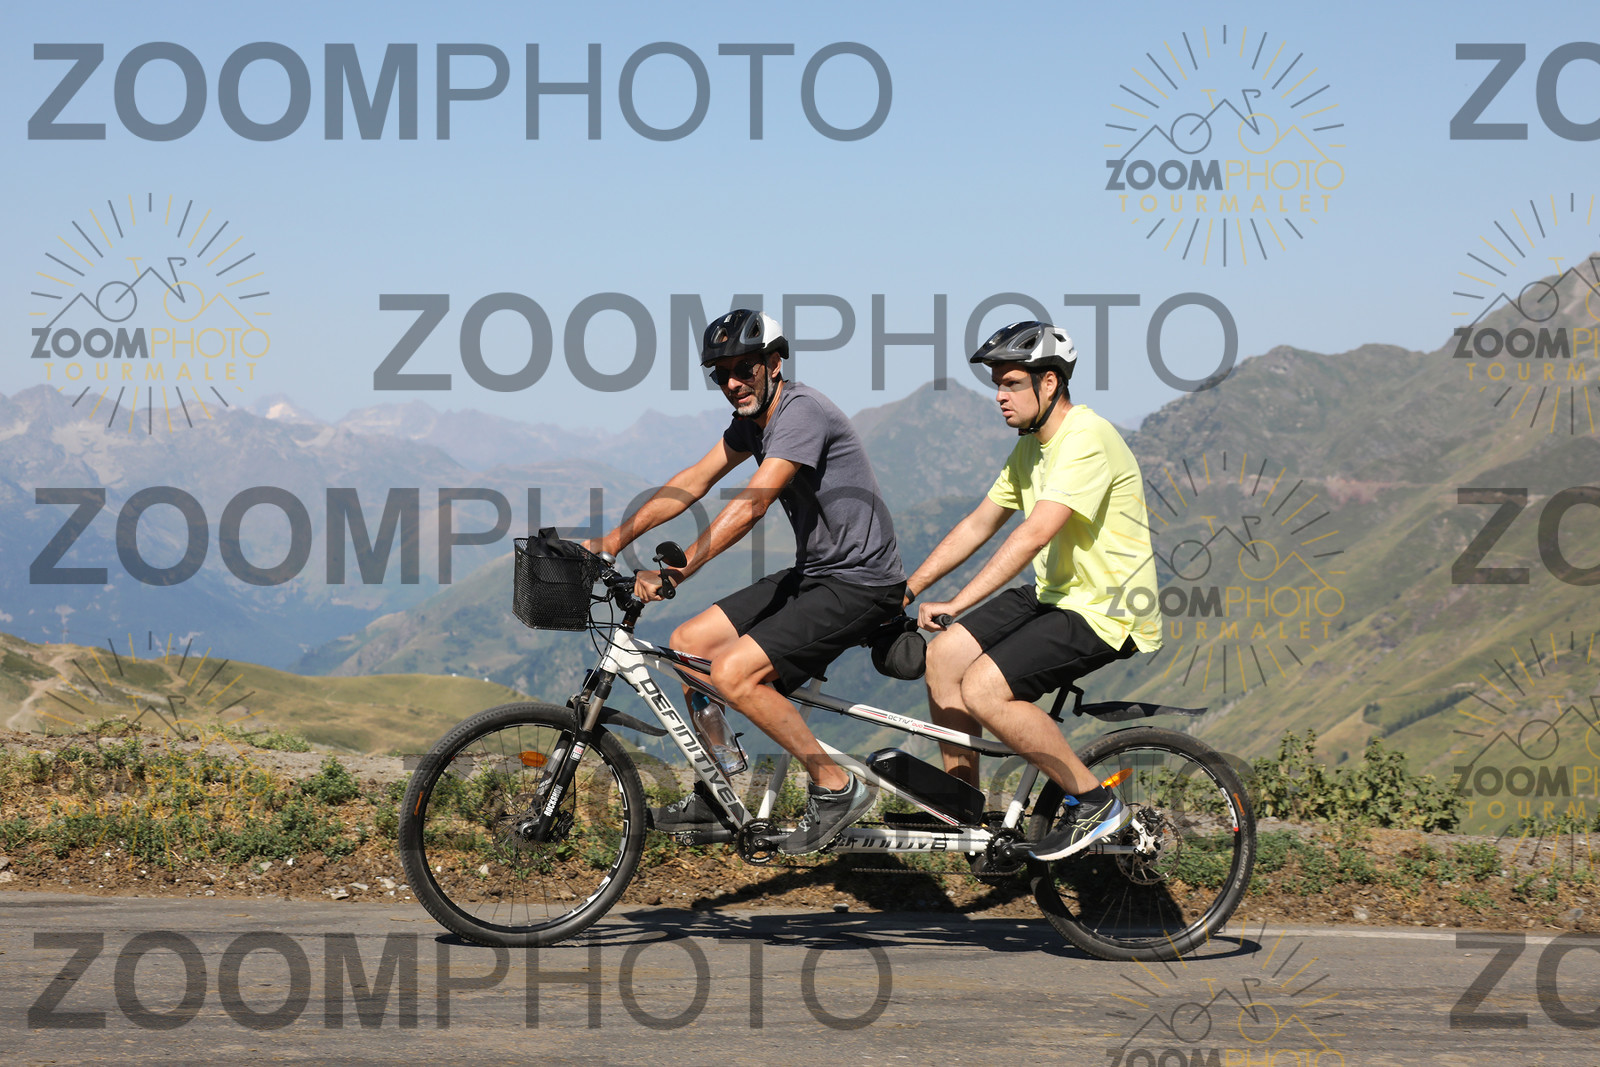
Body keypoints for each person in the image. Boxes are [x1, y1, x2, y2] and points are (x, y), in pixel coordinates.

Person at [582, 309, 906, 854]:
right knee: (688, 647)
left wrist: (675, 572)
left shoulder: (801, 412)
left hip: (862, 583)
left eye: (744, 369)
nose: (732, 383)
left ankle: (836, 787)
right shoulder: (750, 421)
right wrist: (611, 541)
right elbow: (693, 481)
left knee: (733, 673)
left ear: (774, 363)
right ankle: (719, 791)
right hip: (816, 574)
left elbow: (754, 503)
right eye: (721, 374)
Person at [903, 321, 1162, 861]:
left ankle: (1094, 802)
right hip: (1054, 595)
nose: (999, 395)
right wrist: (908, 589)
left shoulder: (1086, 439)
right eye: (996, 383)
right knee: (944, 656)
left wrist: (957, 602)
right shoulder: (1030, 449)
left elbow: (1033, 534)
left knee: (983, 689)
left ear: (1049, 383)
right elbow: (979, 523)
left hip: (1106, 608)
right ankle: (965, 810)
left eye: (1011, 383)